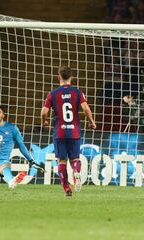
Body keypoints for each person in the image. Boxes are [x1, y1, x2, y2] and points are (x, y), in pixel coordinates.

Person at [41, 66, 96, 197]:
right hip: (74, 131)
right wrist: (91, 122)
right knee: (75, 158)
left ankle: (67, 189)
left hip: (59, 132)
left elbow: (44, 111)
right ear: (72, 77)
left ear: (58, 77)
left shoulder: (52, 93)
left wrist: (44, 122)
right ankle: (76, 171)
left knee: (61, 161)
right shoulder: (77, 92)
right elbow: (86, 109)